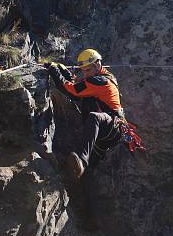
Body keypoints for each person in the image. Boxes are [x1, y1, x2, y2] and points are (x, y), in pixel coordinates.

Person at [45, 48, 125, 183]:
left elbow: (71, 91)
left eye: (88, 70)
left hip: (112, 126)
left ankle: (82, 160)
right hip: (104, 133)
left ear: (98, 65)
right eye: (83, 70)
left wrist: (54, 70)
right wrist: (64, 72)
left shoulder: (100, 81)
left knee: (94, 117)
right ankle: (77, 179)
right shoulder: (100, 78)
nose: (85, 73)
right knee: (88, 175)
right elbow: (78, 88)